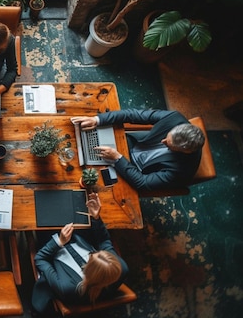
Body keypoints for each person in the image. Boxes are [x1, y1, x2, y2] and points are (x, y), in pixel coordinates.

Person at [31, 193, 128, 316]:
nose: (91, 253)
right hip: (76, 235)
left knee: (38, 205)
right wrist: (96, 218)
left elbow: (40, 259)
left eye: (91, 256)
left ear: (86, 269)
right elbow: (104, 241)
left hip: (51, 243)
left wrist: (58, 241)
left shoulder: (67, 287)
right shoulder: (119, 268)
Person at [71, 109, 205, 191]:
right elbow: (132, 114)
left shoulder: (183, 171)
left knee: (88, 180)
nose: (162, 142)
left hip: (132, 170)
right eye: (166, 138)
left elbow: (143, 183)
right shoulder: (174, 118)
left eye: (168, 146)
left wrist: (118, 159)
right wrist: (98, 119)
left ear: (184, 151)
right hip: (129, 142)